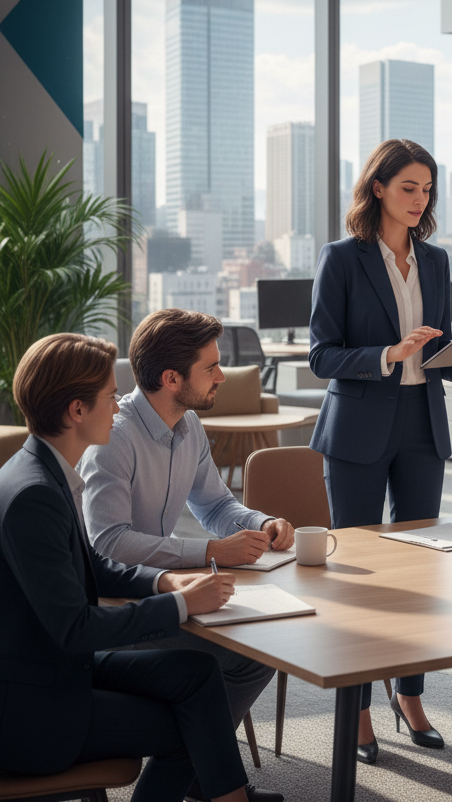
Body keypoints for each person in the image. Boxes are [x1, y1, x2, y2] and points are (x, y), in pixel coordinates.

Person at [308, 138, 452, 764]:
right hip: (359, 427)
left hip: (423, 425)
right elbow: (321, 356)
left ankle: (409, 695)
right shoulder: (342, 258)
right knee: (360, 576)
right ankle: (358, 707)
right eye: (409, 187)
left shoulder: (437, 261)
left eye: (427, 189)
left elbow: (438, 358)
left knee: (420, 572)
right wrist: (386, 355)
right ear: (380, 188)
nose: (420, 199)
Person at [0, 333, 252, 802]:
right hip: (30, 709)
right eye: (111, 397)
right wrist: (180, 604)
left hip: (50, 667)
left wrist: (163, 580)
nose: (118, 408)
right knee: (190, 727)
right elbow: (74, 628)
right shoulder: (34, 493)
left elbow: (90, 563)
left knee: (197, 673)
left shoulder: (39, 469)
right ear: (77, 410)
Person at [81, 309, 292, 802]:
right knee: (244, 656)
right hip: (115, 610)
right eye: (211, 367)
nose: (222, 375)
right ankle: (203, 767)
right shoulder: (114, 437)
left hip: (163, 594)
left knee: (261, 651)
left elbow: (216, 503)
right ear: (171, 378)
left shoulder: (189, 424)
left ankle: (201, 769)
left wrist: (259, 523)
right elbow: (107, 544)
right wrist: (211, 550)